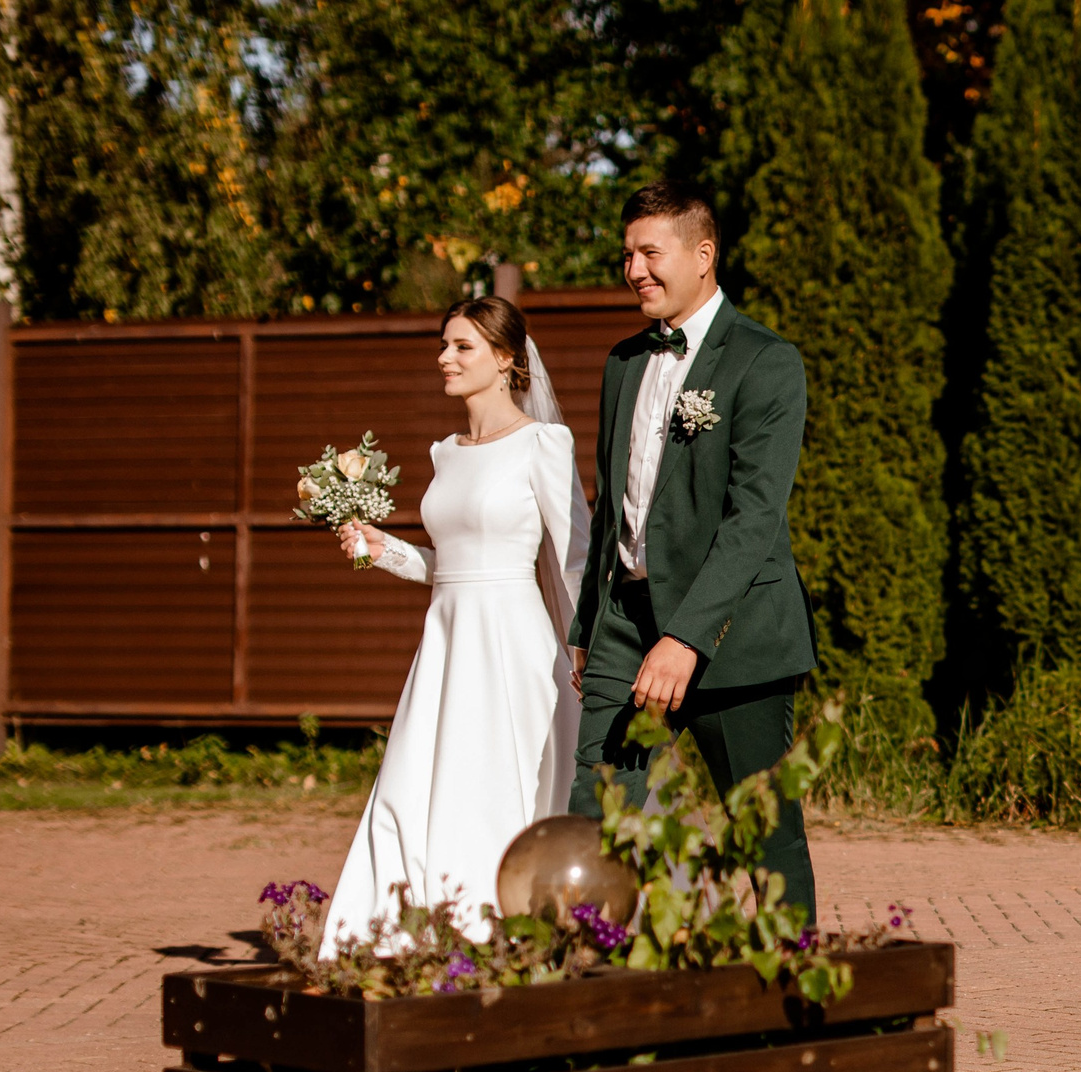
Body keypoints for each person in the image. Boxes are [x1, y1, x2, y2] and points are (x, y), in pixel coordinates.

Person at [569, 180, 820, 922]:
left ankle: (796, 999)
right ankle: (588, 992)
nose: (635, 270)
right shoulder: (622, 364)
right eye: (627, 255)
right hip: (624, 622)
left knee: (763, 832)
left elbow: (753, 521)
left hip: (732, 634)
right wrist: (590, 624)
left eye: (651, 253)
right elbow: (611, 504)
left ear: (703, 254)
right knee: (599, 814)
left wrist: (685, 637)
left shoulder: (765, 361)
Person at [321, 297, 592, 952]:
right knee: (417, 780)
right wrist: (384, 549)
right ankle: (400, 933)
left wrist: (586, 645)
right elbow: (453, 566)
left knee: (502, 781)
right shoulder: (446, 452)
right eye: (444, 345)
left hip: (514, 646)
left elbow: (575, 555)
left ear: (505, 359)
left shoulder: (542, 444)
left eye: (462, 346)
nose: (445, 357)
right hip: (445, 645)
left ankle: (508, 928)